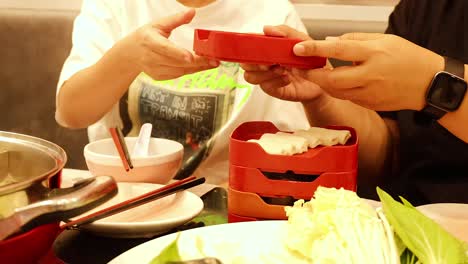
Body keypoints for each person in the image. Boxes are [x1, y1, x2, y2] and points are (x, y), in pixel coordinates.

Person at [55, 0, 311, 185]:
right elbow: (70, 113)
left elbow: (296, 142)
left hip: (226, 199)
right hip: (124, 194)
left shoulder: (274, 12)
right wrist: (127, 57)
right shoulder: (116, 6)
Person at [241, 0, 468, 204]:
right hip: (409, 224)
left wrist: (436, 83)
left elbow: (427, 83)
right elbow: (391, 155)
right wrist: (323, 95)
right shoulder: (423, 8)